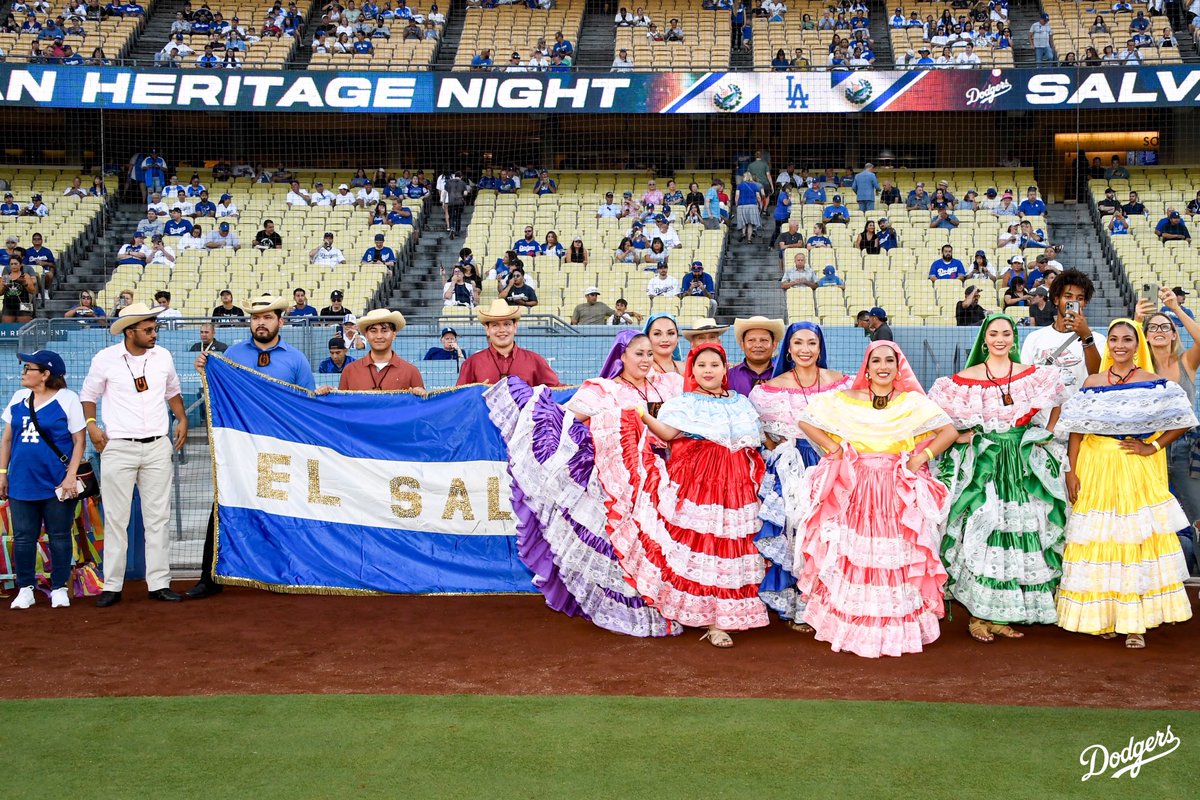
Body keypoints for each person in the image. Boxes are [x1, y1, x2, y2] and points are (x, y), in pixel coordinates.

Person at [482, 331, 681, 637]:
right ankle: (628, 608)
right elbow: (567, 422)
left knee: (659, 542)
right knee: (623, 542)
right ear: (621, 356)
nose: (645, 359)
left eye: (649, 354)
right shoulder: (603, 390)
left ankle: (666, 602)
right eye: (638, 353)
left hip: (665, 474)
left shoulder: (668, 385)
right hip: (618, 480)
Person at [589, 343, 769, 647]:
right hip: (698, 481)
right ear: (692, 370)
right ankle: (711, 621)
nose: (708, 370)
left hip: (736, 484)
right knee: (702, 546)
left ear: (725, 369)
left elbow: (752, 440)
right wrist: (642, 417)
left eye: (714, 364)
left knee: (731, 547)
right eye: (701, 365)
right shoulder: (684, 402)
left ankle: (726, 615)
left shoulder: (741, 403)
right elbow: (669, 435)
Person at [794, 342, 958, 656]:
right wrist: (835, 449)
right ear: (866, 369)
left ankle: (894, 629)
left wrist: (919, 458)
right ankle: (854, 629)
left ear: (899, 368)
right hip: (856, 487)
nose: (883, 366)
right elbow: (806, 420)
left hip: (895, 488)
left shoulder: (911, 402)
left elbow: (948, 431)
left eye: (889, 361)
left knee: (894, 553)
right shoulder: (846, 399)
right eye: (876, 361)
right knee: (857, 554)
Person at [1055, 320, 1196, 649]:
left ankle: (1135, 623)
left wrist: (1153, 446)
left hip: (1135, 471)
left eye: (1127, 339)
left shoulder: (1153, 382)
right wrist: (1071, 473)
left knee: (1133, 541)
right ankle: (1101, 617)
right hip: (1095, 468)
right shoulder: (1092, 381)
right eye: (1114, 339)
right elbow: (1076, 430)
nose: (1119, 345)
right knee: (1100, 541)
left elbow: (1184, 420)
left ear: (1137, 346)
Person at [928, 315, 1069, 643]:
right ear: (984, 338)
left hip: (1021, 464)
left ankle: (1002, 615)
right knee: (985, 530)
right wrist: (962, 438)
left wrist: (1045, 433)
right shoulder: (963, 380)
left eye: (1006, 333)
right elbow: (936, 417)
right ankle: (978, 616)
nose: (1000, 339)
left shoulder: (1030, 376)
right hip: (985, 465)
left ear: (1014, 338)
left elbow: (1058, 401)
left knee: (1018, 534)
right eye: (994, 333)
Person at [187, 295, 316, 599]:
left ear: (280, 321)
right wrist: (205, 371)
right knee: (223, 504)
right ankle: (211, 576)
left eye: (268, 317)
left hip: (281, 447)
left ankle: (286, 573)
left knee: (286, 509)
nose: (261, 322)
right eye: (256, 317)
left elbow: (306, 404)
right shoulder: (231, 354)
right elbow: (219, 391)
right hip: (239, 446)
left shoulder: (296, 359)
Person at [81, 304, 188, 607]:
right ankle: (112, 586)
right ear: (130, 332)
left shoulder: (163, 356)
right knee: (116, 519)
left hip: (157, 445)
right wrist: (91, 426)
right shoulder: (105, 359)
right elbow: (88, 396)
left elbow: (172, 391)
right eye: (148, 330)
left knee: (158, 519)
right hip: (118, 446)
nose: (154, 334)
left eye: (155, 329)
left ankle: (159, 583)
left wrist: (181, 418)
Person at [748, 323, 849, 625]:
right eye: (798, 343)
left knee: (829, 532)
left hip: (830, 465)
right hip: (791, 468)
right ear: (788, 349)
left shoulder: (841, 384)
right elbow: (762, 432)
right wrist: (780, 451)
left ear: (820, 348)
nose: (805, 349)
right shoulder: (768, 390)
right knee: (794, 532)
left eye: (811, 343)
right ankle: (797, 603)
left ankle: (826, 603)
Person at [1, 350, 85, 610]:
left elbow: (79, 440)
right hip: (21, 481)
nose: (24, 372)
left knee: (60, 535)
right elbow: (6, 438)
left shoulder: (68, 399)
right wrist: (2, 473)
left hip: (57, 483)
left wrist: (71, 476)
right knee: (24, 537)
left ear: (46, 374)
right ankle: (25, 588)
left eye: (29, 368)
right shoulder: (18, 398)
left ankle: (59, 587)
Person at [1137, 289, 1200, 569]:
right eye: (1154, 328)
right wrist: (1137, 321)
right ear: (1147, 335)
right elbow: (1116, 353)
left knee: (1196, 510)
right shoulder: (1139, 367)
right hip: (1149, 447)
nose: (1160, 331)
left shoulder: (1186, 362)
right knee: (1149, 512)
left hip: (1186, 447)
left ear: (1174, 334)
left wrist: (1176, 309)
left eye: (1167, 327)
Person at [1019, 269, 1101, 394]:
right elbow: (1024, 383)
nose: (1073, 302)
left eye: (1079, 298)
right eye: (1068, 296)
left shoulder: (1097, 339)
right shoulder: (1034, 338)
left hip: (1077, 411)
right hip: (1042, 412)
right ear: (1056, 300)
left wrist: (1086, 337)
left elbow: (1099, 377)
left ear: (1085, 303)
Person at [457, 300, 559, 387]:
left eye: (507, 324)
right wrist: (476, 393)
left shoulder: (536, 361)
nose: (502, 330)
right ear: (487, 329)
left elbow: (557, 391)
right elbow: (459, 399)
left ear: (515, 327)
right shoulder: (472, 363)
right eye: (495, 325)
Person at [333, 309, 424, 393]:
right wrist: (326, 395)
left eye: (384, 331)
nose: (379, 336)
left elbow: (421, 408)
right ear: (366, 335)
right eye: (373, 331)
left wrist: (422, 394)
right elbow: (341, 407)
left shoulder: (411, 372)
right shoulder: (350, 371)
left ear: (394, 334)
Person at [728, 316, 785, 396]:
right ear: (742, 345)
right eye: (751, 340)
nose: (758, 345)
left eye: (764, 340)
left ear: (774, 345)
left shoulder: (784, 374)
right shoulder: (728, 377)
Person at [642, 312, 686, 400]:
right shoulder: (642, 370)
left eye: (671, 333)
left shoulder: (687, 369)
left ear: (677, 337)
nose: (665, 339)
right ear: (647, 337)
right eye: (657, 334)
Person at [1, 258, 37, 323]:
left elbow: (33, 291)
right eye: (11, 264)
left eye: (15, 264)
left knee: (25, 328)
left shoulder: (25, 276)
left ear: (20, 265)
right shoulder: (5, 277)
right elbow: (0, 293)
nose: (13, 266)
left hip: (24, 303)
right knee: (7, 328)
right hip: (8, 304)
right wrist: (4, 287)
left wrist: (25, 283)